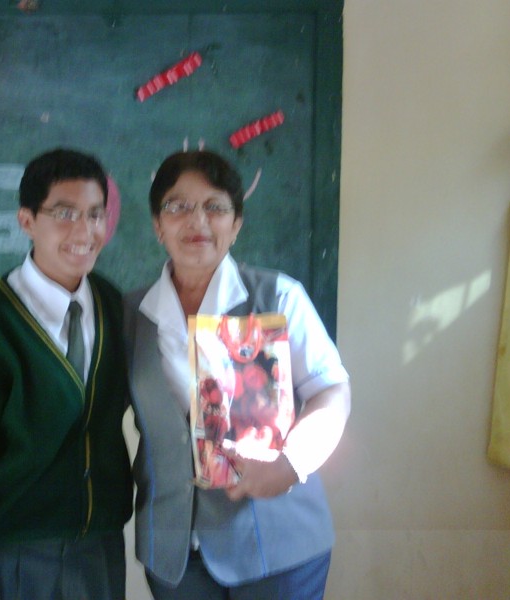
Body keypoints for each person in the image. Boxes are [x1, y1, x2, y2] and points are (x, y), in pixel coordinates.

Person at [124, 149, 351, 600]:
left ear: (236, 225)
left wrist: (293, 463)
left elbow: (332, 390)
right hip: (173, 550)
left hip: (276, 542)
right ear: (157, 225)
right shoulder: (131, 314)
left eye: (215, 207)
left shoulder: (278, 297)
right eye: (178, 206)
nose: (197, 221)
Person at [0, 148, 133, 600]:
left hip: (101, 548)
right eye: (64, 213)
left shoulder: (114, 307)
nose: (85, 231)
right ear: (27, 221)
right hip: (19, 553)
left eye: (96, 214)